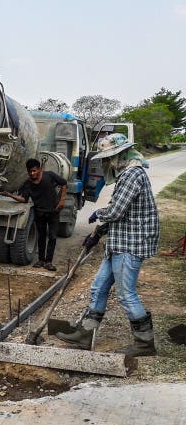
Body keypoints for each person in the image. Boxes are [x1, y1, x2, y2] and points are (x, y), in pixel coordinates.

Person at [56, 133, 159, 358]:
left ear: (122, 155)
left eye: (109, 158)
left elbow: (115, 211)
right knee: (98, 287)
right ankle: (85, 334)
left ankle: (144, 343)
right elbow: (121, 214)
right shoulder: (126, 174)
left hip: (130, 244)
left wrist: (99, 214)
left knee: (126, 294)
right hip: (118, 241)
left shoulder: (133, 175)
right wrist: (99, 232)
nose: (107, 163)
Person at [0, 158, 67, 271]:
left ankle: (49, 262)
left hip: (53, 212)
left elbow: (64, 183)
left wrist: (62, 200)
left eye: (34, 171)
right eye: (30, 171)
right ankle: (41, 260)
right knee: (41, 237)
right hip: (40, 213)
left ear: (39, 169)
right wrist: (10, 195)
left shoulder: (49, 175)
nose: (32, 173)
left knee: (52, 237)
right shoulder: (27, 184)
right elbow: (24, 199)